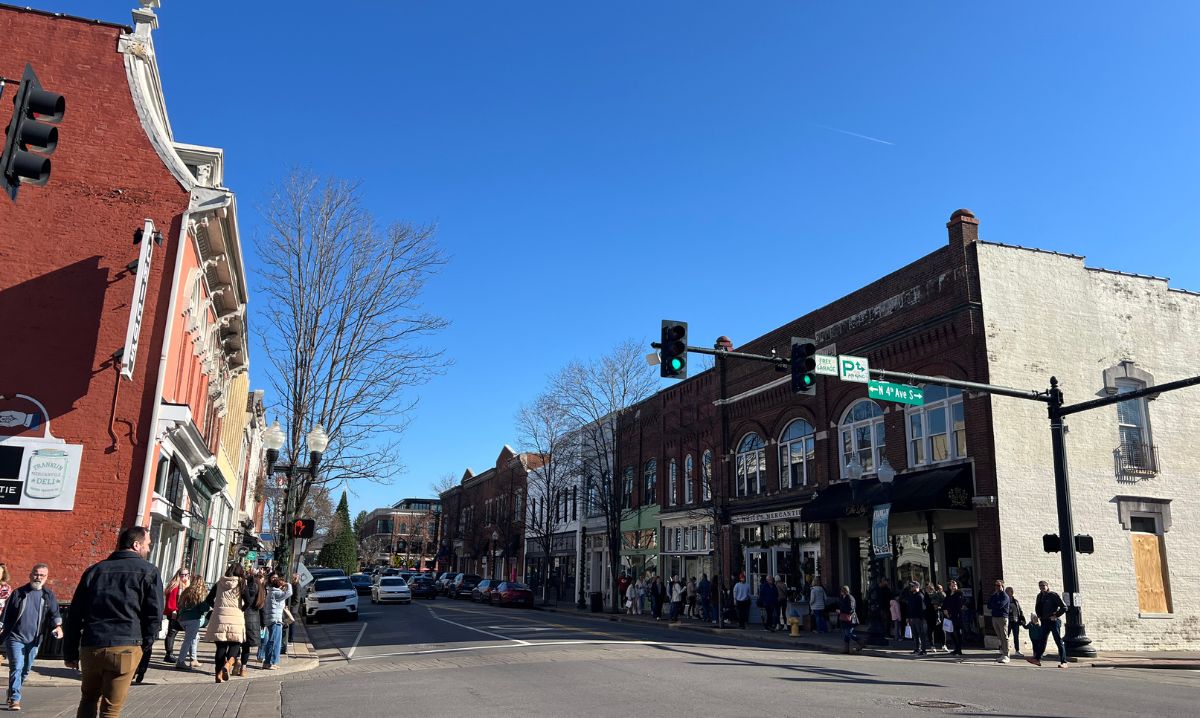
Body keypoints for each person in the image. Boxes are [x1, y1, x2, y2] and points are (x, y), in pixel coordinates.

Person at [64, 526, 163, 718]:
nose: (148, 549)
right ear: (136, 545)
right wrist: (145, 645)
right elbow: (153, 614)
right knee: (111, 708)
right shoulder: (149, 572)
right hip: (126, 644)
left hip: (92, 644)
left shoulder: (94, 571)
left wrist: (70, 652)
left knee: (89, 699)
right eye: (147, 544)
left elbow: (75, 614)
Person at [1, 563, 63, 712]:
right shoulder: (19, 593)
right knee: (16, 667)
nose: (38, 577)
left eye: (42, 575)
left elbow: (55, 614)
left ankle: (12, 690)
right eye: (36, 574)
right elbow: (6, 615)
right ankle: (15, 699)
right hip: (15, 638)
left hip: (35, 640)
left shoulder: (48, 595)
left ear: (46, 578)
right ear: (30, 575)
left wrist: (58, 627)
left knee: (26, 669)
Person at [203, 563, 247, 683]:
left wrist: (217, 607)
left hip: (219, 618)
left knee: (220, 647)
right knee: (235, 644)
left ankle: (218, 674)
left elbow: (208, 599)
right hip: (235, 618)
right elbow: (248, 600)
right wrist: (241, 609)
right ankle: (228, 664)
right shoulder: (241, 583)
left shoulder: (219, 583)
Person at [1027, 580, 1068, 668]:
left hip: (1053, 621)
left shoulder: (1053, 595)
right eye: (1040, 586)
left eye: (1043, 586)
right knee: (1042, 640)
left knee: (1058, 640)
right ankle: (1037, 659)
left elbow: (1064, 607)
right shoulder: (1039, 596)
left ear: (1047, 586)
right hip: (1044, 621)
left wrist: (1056, 615)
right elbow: (1038, 607)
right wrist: (1038, 616)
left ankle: (1064, 662)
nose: (1042, 587)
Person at [236, 569, 265, 676]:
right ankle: (243, 668)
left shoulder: (243, 588)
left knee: (237, 643)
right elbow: (262, 609)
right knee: (246, 646)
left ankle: (236, 661)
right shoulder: (260, 591)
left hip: (241, 616)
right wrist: (263, 623)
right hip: (254, 619)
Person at [174, 579, 208, 670]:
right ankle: (180, 661)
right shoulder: (199, 594)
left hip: (182, 619)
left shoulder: (186, 591)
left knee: (195, 637)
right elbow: (204, 608)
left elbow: (179, 604)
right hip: (193, 619)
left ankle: (194, 659)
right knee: (188, 640)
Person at [261, 575, 292, 670]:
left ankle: (271, 662)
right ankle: (269, 662)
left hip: (273, 619)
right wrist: (288, 584)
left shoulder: (272, 592)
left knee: (274, 641)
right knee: (274, 641)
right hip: (275, 620)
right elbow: (289, 593)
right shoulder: (276, 593)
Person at [987, 579, 1012, 663]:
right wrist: (994, 602)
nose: (996, 587)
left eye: (998, 585)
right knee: (1000, 636)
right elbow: (989, 605)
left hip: (1002, 617)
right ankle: (1003, 653)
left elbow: (1000, 605)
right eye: (995, 585)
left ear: (1002, 586)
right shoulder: (994, 595)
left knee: (1004, 636)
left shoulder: (1005, 596)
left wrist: (994, 604)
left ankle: (1006, 654)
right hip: (994, 617)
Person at [837, 585, 865, 653]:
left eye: (842, 591)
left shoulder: (850, 598)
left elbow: (850, 609)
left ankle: (861, 641)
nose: (841, 592)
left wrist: (841, 611)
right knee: (846, 634)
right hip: (844, 618)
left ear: (845, 591)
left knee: (848, 633)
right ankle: (846, 649)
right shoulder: (842, 597)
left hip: (851, 618)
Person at [941, 579, 965, 656]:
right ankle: (955, 648)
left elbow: (959, 605)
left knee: (958, 632)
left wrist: (950, 612)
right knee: (951, 632)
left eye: (955, 584)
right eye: (952, 584)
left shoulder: (959, 593)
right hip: (948, 616)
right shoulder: (948, 594)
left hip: (956, 615)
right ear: (949, 586)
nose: (953, 585)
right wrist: (945, 610)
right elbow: (944, 604)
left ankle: (959, 649)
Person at [904, 581, 928, 655]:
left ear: (917, 587)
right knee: (915, 634)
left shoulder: (920, 596)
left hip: (918, 618)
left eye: (912, 586)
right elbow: (909, 608)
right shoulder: (911, 596)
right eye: (911, 586)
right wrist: (908, 617)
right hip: (912, 618)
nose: (911, 588)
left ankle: (923, 650)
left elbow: (922, 608)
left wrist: (922, 618)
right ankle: (917, 648)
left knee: (921, 634)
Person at [1006, 586, 1026, 658]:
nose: (1007, 593)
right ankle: (1005, 650)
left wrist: (1022, 618)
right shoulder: (1005, 600)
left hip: (1015, 620)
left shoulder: (1015, 601)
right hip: (1007, 621)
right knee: (1006, 636)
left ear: (1012, 593)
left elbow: (1019, 610)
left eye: (1009, 592)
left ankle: (1017, 650)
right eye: (1006, 592)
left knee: (1016, 636)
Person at [925, 583, 944, 651]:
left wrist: (939, 606)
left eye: (929, 588)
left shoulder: (936, 594)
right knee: (930, 630)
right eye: (926, 588)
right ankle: (932, 645)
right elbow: (926, 605)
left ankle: (943, 645)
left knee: (941, 629)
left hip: (938, 613)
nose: (927, 590)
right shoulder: (926, 596)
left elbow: (942, 601)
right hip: (929, 614)